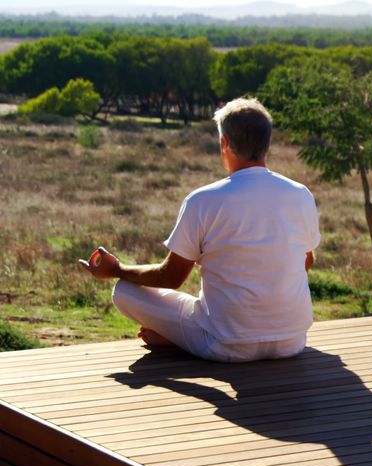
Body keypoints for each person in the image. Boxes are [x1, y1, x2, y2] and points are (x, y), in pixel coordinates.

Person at [79, 98, 320, 363]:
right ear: (267, 143)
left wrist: (116, 270)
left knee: (124, 291)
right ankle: (182, 334)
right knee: (205, 306)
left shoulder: (203, 200)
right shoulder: (300, 194)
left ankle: (179, 337)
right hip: (291, 341)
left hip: (226, 345)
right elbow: (306, 261)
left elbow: (170, 277)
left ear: (224, 143)